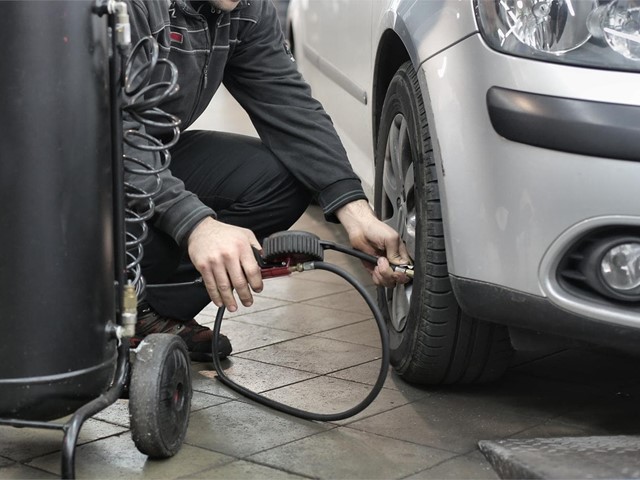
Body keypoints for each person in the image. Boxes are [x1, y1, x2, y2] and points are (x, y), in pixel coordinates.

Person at [124, 0, 411, 362]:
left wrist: (354, 211)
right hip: (69, 171)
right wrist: (195, 224)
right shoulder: (129, 7)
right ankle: (84, 294)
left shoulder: (242, 8)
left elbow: (287, 103)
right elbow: (107, 132)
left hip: (143, 155)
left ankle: (144, 308)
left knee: (283, 179)